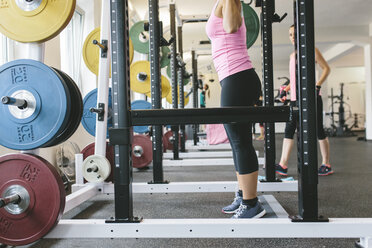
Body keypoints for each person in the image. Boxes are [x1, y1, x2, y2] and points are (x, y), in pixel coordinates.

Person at [206, 0, 265, 218]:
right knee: (237, 142)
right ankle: (243, 194)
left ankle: (251, 204)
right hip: (233, 78)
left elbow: (231, 27)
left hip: (238, 77)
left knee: (240, 142)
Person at [276, 24, 333, 177]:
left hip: (311, 98)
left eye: (295, 33)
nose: (292, 36)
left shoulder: (311, 50)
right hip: (295, 100)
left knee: (318, 131)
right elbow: (294, 81)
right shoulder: (292, 56)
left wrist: (317, 85)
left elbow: (326, 68)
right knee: (289, 129)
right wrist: (285, 90)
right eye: (290, 34)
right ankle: (283, 165)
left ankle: (326, 164)